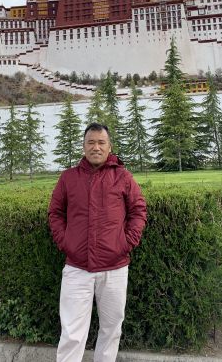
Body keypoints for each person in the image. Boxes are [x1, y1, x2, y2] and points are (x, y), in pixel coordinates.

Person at [48, 122, 147, 362]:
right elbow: (55, 213)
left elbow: (138, 211)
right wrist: (66, 243)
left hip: (114, 268)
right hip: (76, 268)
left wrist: (126, 243)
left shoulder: (123, 177)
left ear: (109, 146)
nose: (96, 147)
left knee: (111, 330)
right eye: (91, 142)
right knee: (72, 333)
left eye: (101, 142)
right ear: (83, 146)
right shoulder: (68, 178)